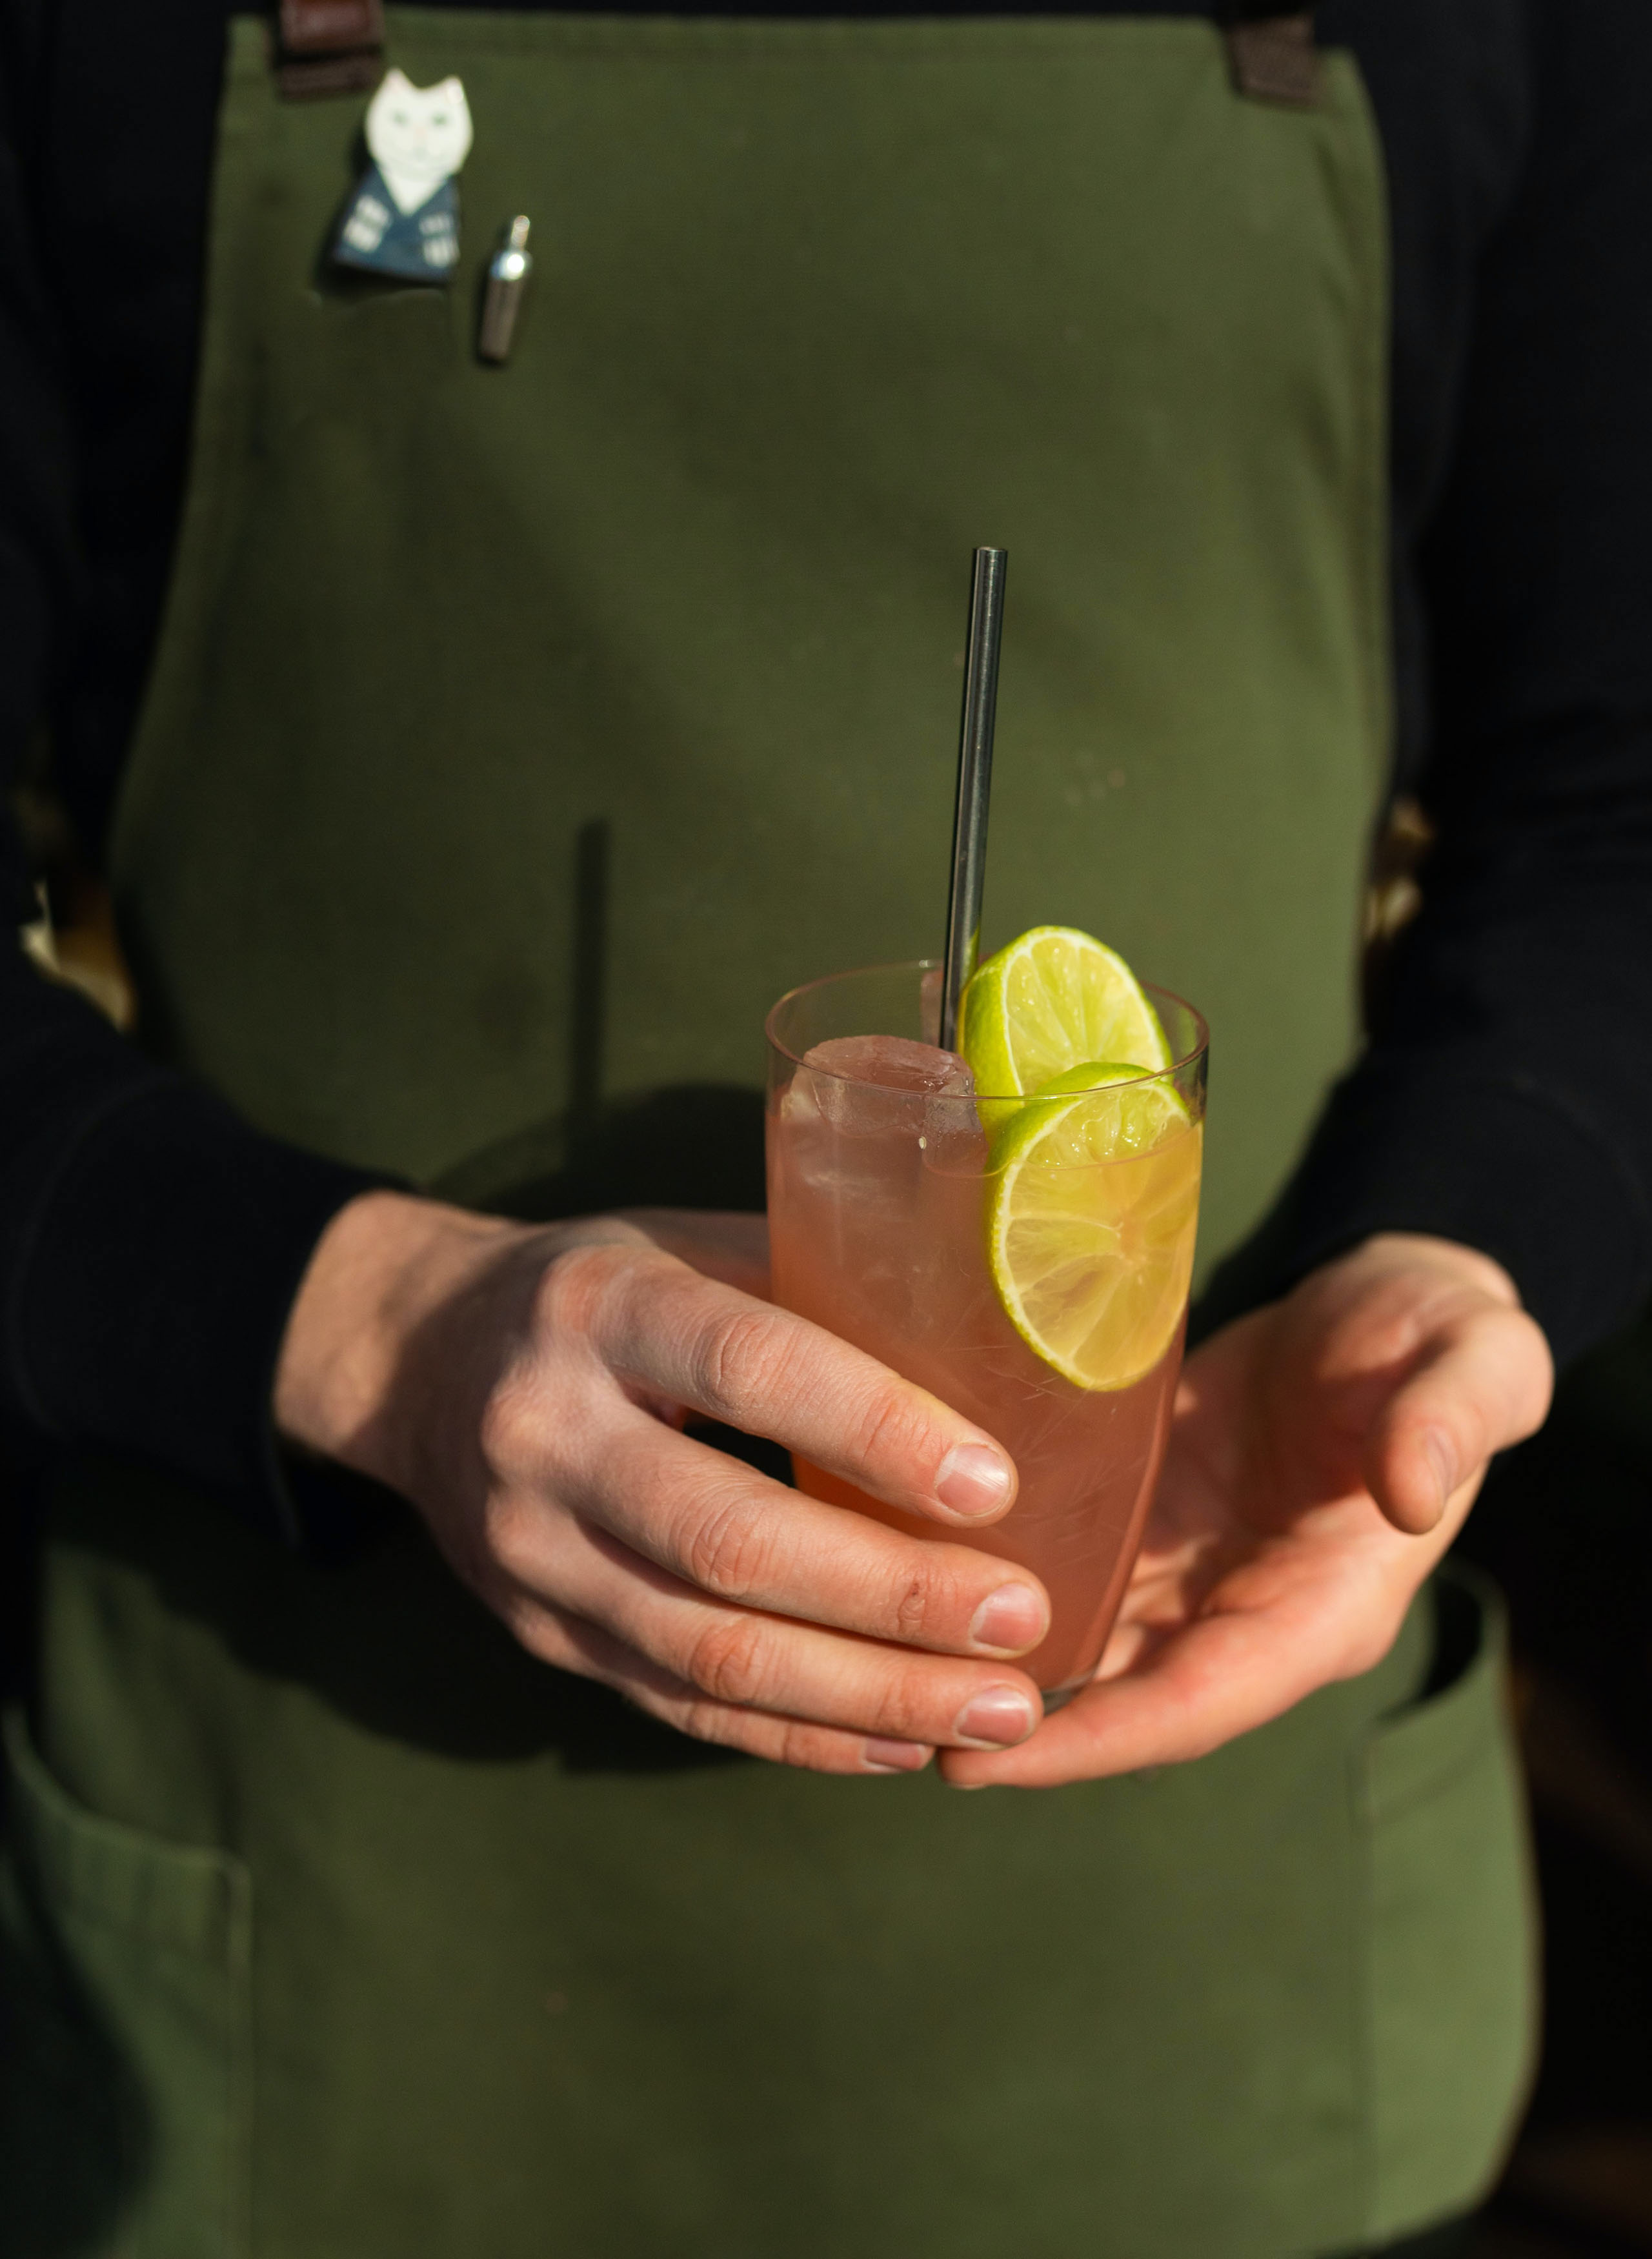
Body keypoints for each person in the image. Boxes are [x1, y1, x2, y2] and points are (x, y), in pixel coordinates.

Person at [1, 1, 1647, 2253]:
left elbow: (1613, 816)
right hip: (337, 1978)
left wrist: (1459, 1232)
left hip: (1210, 1975)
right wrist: (363, 1327)